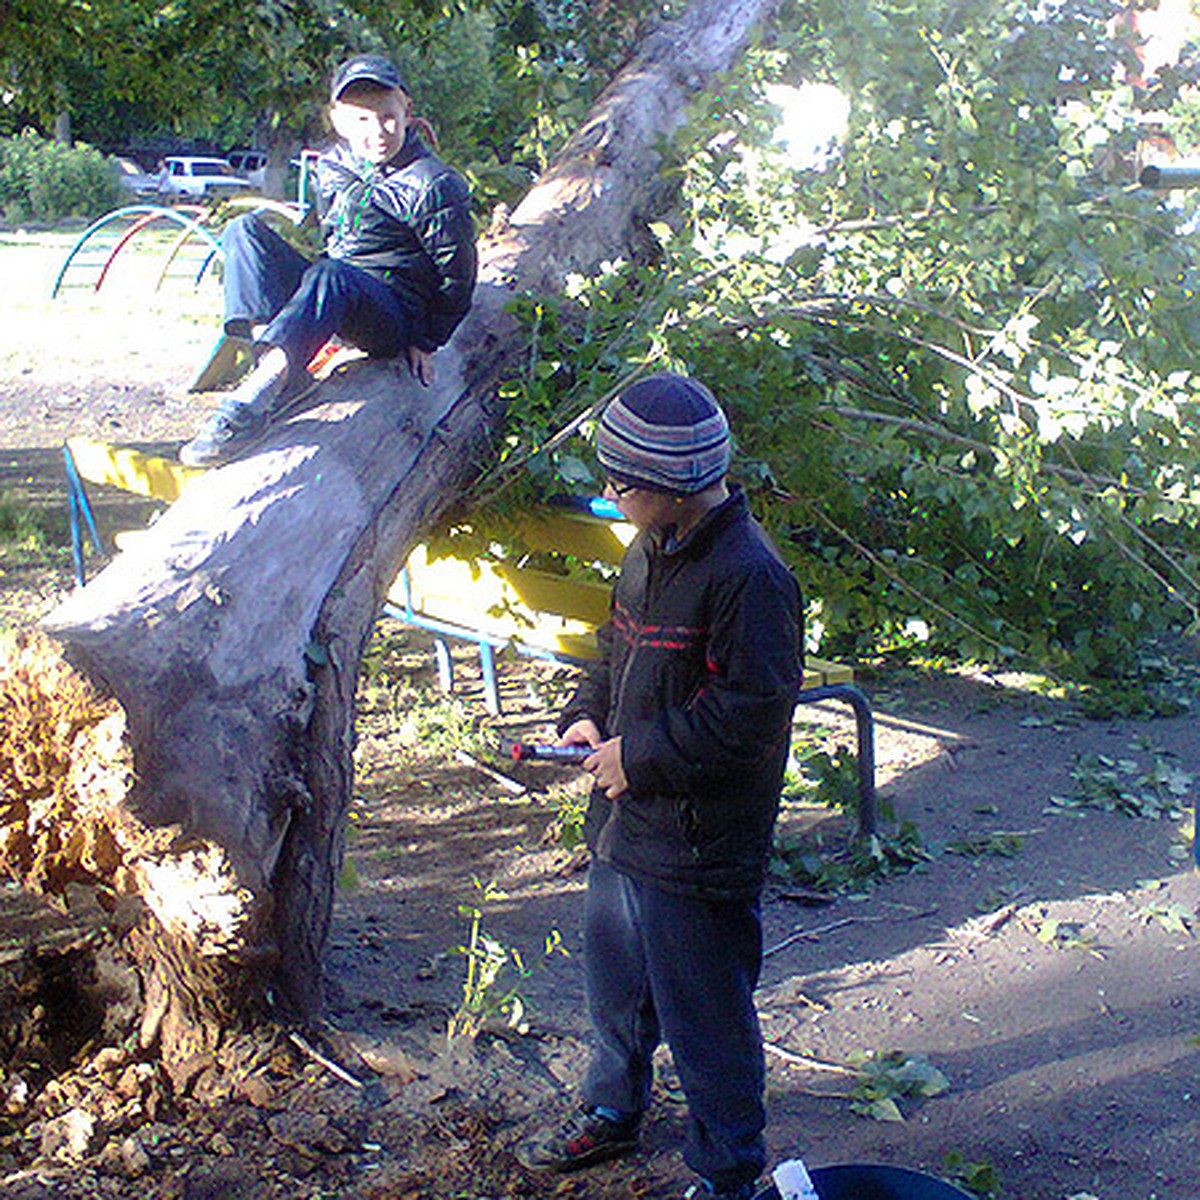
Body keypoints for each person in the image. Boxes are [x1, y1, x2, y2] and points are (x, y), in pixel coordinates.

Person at [517, 373, 805, 1199]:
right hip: (626, 827)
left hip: (699, 841)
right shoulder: (649, 548)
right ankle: (612, 1109)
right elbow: (616, 652)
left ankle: (728, 1170)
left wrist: (638, 755)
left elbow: (752, 715)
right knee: (618, 986)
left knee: (705, 1014)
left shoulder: (751, 579)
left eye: (619, 484)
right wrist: (586, 715)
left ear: (668, 486)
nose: (609, 495)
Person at [179, 53, 478, 467]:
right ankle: (276, 373)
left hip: (391, 314)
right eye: (362, 120)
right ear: (337, 120)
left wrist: (428, 339)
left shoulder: (434, 183)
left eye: (388, 117)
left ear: (406, 110)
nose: (378, 132)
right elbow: (334, 238)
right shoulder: (334, 165)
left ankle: (248, 406)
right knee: (243, 231)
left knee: (332, 275)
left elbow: (458, 277)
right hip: (336, 292)